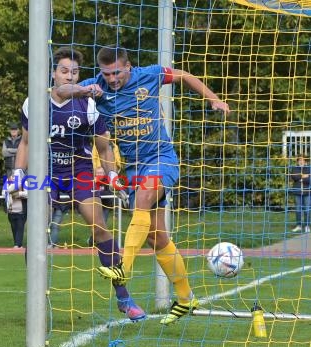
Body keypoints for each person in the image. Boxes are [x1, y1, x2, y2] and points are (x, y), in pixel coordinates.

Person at [57, 45, 231, 324]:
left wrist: (213, 99)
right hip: (133, 167)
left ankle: (123, 266)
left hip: (161, 158)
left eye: (116, 73)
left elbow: (184, 76)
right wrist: (86, 91)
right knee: (157, 237)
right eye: (106, 74)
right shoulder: (97, 85)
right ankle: (186, 298)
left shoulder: (149, 75)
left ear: (128, 66)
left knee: (143, 198)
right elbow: (61, 92)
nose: (112, 79)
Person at [12, 46, 145, 321]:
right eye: (64, 71)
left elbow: (105, 148)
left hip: (80, 171)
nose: (69, 76)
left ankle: (124, 297)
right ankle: (36, 298)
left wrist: (111, 177)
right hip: (45, 173)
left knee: (100, 229)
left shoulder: (89, 105)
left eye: (74, 72)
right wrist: (17, 174)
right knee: (37, 231)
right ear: (53, 73)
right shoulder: (35, 102)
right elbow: (25, 142)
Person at [2, 181, 27, 248]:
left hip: (21, 211)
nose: (13, 177)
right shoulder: (7, 182)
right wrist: (10, 193)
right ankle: (18, 244)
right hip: (11, 211)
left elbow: (28, 193)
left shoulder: (24, 182)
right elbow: (3, 192)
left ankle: (17, 244)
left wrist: (19, 193)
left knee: (20, 228)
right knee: (14, 228)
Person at [289, 156, 311, 233]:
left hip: (307, 192)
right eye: (299, 160)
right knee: (298, 209)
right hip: (297, 191)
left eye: (303, 160)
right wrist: (303, 176)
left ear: (305, 161)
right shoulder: (294, 168)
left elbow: (309, 179)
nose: (301, 161)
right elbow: (294, 177)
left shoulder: (308, 168)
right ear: (297, 161)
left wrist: (301, 178)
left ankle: (307, 226)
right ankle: (298, 226)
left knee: (307, 209)